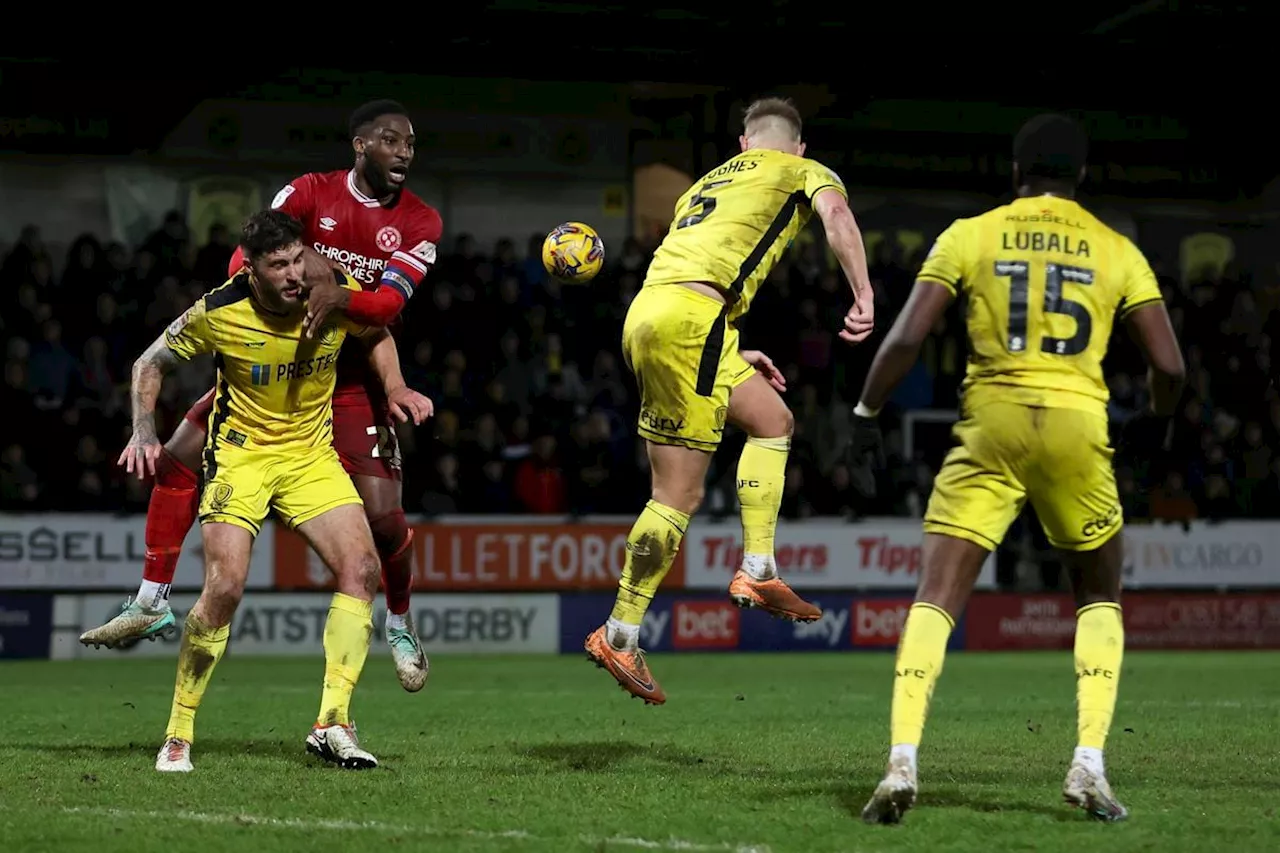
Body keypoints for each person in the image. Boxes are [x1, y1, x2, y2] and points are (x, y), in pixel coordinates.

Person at [851, 114, 1186, 823]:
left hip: (993, 420)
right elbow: (1169, 364)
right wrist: (1156, 422)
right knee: (1099, 593)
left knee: (936, 595)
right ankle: (1089, 764)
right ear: (1082, 177)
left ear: (1015, 172)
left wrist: (865, 414)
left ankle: (902, 759)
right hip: (1075, 423)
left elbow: (907, 336)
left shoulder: (971, 233)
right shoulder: (1117, 248)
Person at [81, 100, 443, 693]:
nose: (404, 150)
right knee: (174, 461)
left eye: (410, 142)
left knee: (382, 518)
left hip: (348, 377)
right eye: (390, 139)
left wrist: (336, 299)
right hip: (273, 364)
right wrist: (279, 296)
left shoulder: (421, 221)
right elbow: (241, 257)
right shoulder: (306, 192)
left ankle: (400, 623)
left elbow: (386, 310)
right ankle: (151, 600)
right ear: (359, 144)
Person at [584, 97, 877, 704]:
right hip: (692, 322)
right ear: (796, 147)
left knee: (772, 418)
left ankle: (761, 569)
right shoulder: (801, 170)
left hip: (662, 313)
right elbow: (839, 217)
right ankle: (621, 630)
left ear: (744, 145)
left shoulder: (704, 184)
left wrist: (731, 351)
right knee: (677, 494)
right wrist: (863, 291)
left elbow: (691, 265)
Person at [123, 210, 433, 772]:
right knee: (226, 587)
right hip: (240, 457)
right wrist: (144, 430)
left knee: (362, 569)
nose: (295, 275)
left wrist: (395, 386)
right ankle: (177, 733)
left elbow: (378, 330)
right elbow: (151, 362)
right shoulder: (220, 311)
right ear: (253, 272)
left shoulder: (329, 291)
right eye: (278, 265)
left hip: (310, 457)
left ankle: (333, 723)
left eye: (297, 259)